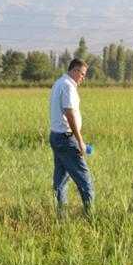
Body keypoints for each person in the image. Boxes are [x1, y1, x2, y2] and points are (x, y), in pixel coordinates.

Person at [49, 58, 94, 217]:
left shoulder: (58, 83)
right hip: (66, 139)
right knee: (85, 180)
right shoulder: (68, 86)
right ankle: (91, 217)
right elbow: (69, 113)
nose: (83, 78)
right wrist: (80, 140)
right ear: (73, 70)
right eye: (81, 74)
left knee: (60, 180)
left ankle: (59, 216)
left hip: (56, 137)